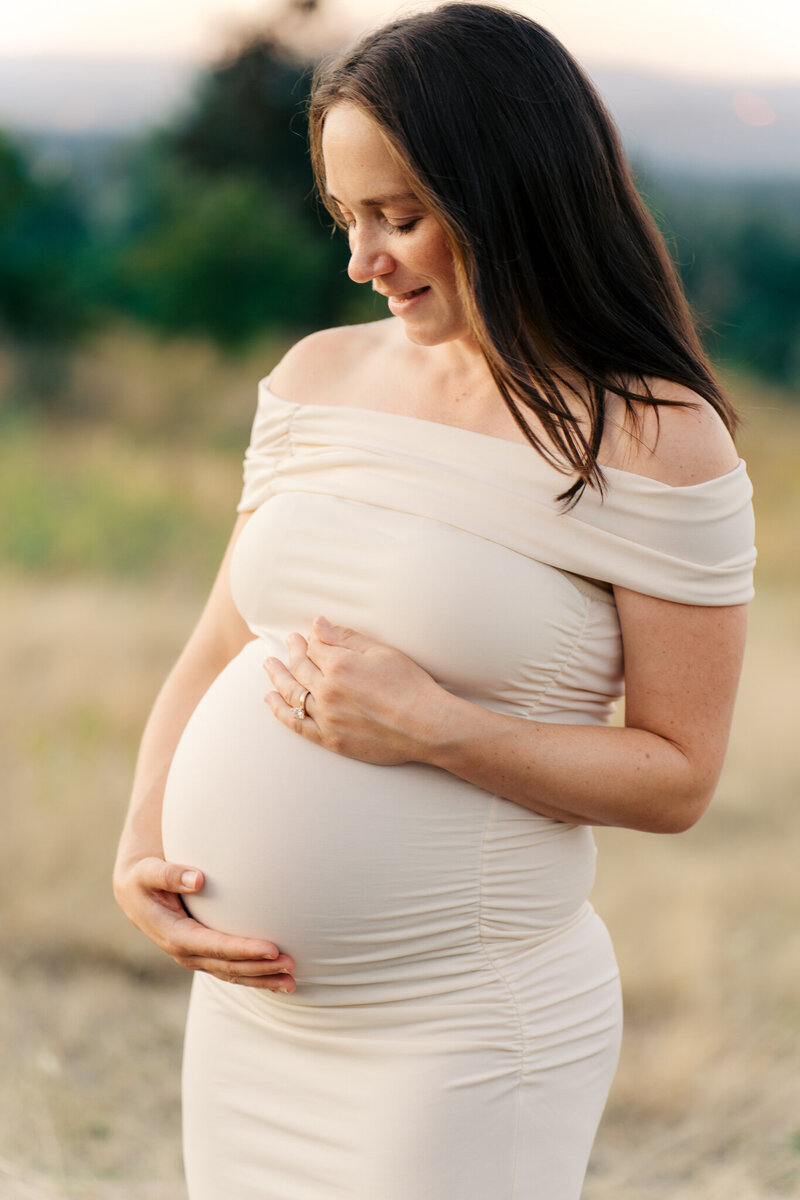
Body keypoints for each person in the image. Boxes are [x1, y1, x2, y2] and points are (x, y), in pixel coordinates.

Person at [113, 4, 756, 1197]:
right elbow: (218, 641)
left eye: (400, 217)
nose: (362, 260)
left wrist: (434, 728)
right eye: (345, 218)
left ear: (513, 197)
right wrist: (140, 841)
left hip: (459, 1036)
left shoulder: (656, 443)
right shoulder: (315, 376)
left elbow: (677, 776)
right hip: (254, 1028)